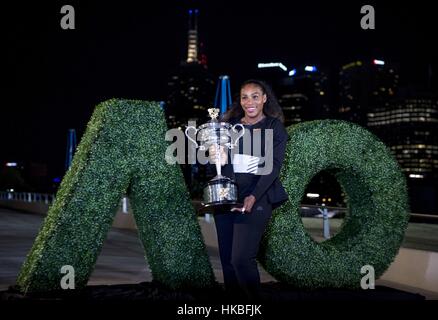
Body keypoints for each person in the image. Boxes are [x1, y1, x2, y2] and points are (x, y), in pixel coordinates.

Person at [209, 79, 289, 301]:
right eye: (245, 97)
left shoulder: (274, 127)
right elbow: (217, 165)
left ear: (264, 99)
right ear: (240, 101)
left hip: (258, 197)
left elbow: (273, 166)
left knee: (241, 259)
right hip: (226, 197)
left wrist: (253, 196)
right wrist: (216, 156)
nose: (249, 101)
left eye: (255, 96)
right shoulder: (229, 127)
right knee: (227, 260)